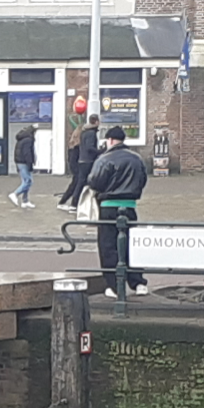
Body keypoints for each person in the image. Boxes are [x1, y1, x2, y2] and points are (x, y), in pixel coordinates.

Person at [87, 126, 150, 298]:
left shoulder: (105, 158)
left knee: (108, 246)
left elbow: (94, 182)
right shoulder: (136, 159)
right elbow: (143, 180)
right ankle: (138, 283)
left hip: (108, 206)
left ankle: (113, 286)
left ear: (110, 140)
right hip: (129, 207)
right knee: (130, 245)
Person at [57, 120, 87, 212]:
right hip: (77, 166)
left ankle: (64, 202)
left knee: (74, 185)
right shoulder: (78, 145)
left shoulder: (72, 143)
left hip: (74, 165)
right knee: (76, 185)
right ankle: (68, 203)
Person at [74, 114, 102, 204]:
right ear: (97, 122)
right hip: (88, 161)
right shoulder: (91, 133)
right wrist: (100, 151)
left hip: (82, 159)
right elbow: (90, 148)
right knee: (86, 182)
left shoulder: (84, 132)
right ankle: (77, 202)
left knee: (80, 183)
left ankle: (76, 202)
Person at [8, 125, 37, 209]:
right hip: (24, 163)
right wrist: (30, 164)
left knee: (25, 181)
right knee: (28, 181)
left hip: (19, 162)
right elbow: (27, 153)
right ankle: (15, 194)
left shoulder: (21, 139)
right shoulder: (28, 140)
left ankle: (25, 201)